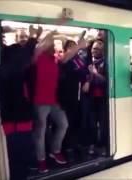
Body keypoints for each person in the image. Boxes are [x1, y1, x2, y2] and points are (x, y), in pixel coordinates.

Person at [31, 29, 87, 173]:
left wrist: (79, 46)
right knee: (40, 132)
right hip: (40, 102)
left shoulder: (55, 60)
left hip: (54, 101)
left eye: (55, 44)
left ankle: (55, 150)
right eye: (51, 44)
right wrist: (53, 30)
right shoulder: (38, 57)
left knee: (63, 124)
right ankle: (41, 160)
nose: (53, 46)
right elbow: (41, 45)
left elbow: (67, 56)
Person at [84, 39, 108, 156]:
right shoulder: (87, 62)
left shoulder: (107, 63)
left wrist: (95, 73)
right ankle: (92, 144)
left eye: (98, 49)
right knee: (91, 124)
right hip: (90, 98)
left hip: (103, 99)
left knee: (103, 124)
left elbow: (106, 81)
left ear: (103, 51)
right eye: (94, 48)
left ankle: (103, 146)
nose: (95, 51)